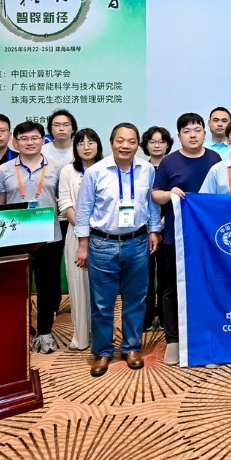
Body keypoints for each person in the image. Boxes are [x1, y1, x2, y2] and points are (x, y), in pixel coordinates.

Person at [75, 123, 162, 377]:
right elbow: (83, 209)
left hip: (137, 241)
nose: (126, 146)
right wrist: (83, 244)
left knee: (136, 299)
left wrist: (154, 230)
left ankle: (131, 347)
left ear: (138, 145)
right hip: (103, 243)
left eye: (131, 141)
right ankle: (102, 351)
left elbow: (151, 204)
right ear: (112, 142)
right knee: (102, 303)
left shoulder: (147, 169)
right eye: (120, 141)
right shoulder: (96, 171)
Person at [151, 113, 222, 365]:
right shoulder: (169, 162)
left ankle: (206, 337)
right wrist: (170, 193)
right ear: (179, 135)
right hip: (175, 237)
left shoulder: (215, 159)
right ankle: (173, 339)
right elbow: (155, 194)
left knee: (207, 286)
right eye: (187, 131)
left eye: (197, 130)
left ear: (205, 133)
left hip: (207, 238)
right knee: (171, 288)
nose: (193, 135)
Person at [0, 120, 63, 354]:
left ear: (43, 140)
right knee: (17, 288)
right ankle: (19, 331)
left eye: (34, 138)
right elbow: (0, 205)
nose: (29, 142)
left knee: (48, 287)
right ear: (16, 142)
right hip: (16, 239)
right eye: (23, 138)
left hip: (50, 237)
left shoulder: (58, 167)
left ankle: (44, 332)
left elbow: (63, 201)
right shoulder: (4, 170)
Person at [58, 128, 104, 351]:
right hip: (77, 234)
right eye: (80, 143)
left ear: (99, 145)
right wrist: (85, 228)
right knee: (78, 286)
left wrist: (99, 227)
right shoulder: (68, 171)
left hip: (104, 236)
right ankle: (81, 337)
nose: (86, 147)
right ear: (75, 148)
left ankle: (101, 334)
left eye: (91, 142)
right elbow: (65, 204)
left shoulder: (107, 168)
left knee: (101, 288)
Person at [139, 125, 173, 330]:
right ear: (146, 145)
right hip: (144, 230)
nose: (157, 145)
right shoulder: (141, 169)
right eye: (152, 141)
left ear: (168, 144)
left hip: (169, 227)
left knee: (167, 274)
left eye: (161, 141)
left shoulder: (172, 166)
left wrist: (164, 220)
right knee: (145, 275)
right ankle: (147, 317)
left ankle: (164, 315)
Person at [41, 109, 78, 174]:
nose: (61, 128)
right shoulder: (42, 151)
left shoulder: (80, 149)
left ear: (73, 129)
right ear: (50, 129)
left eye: (66, 125)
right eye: (57, 125)